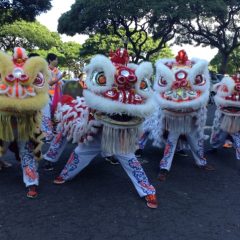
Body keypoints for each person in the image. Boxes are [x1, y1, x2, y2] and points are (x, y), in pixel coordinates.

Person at [51, 48, 158, 208]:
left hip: (120, 134)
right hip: (96, 129)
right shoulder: (102, 76)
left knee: (130, 159)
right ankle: (65, 175)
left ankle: (147, 190)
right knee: (81, 152)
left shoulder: (130, 76)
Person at [144, 50, 214, 181]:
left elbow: (202, 102)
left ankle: (201, 162)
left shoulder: (197, 84)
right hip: (175, 121)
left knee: (196, 142)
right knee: (171, 142)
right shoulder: (168, 84)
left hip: (191, 119)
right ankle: (164, 168)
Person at [0, 47, 50, 198]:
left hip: (25, 126)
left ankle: (31, 182)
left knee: (27, 153)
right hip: (4, 124)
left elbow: (40, 97)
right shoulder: (4, 75)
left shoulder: (33, 77)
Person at [210, 74, 240, 164]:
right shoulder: (227, 82)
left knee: (237, 137)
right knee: (218, 132)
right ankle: (214, 147)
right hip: (224, 113)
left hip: (237, 116)